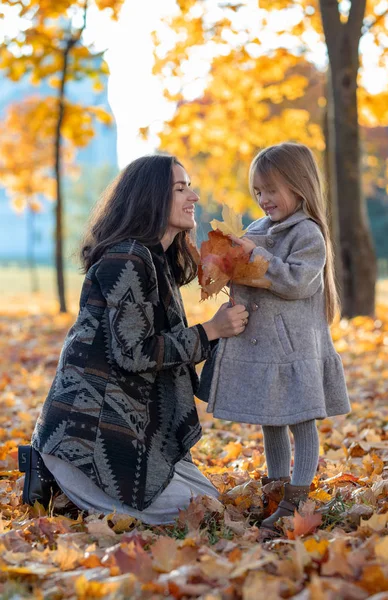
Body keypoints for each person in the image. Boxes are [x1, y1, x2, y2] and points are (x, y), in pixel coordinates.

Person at [18, 154, 249, 524]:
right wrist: (211, 330)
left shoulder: (154, 260)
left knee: (210, 503)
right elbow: (134, 352)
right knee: (203, 516)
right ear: (151, 196)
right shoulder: (127, 257)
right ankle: (54, 472)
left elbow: (164, 349)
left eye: (190, 186)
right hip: (89, 436)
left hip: (130, 429)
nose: (194, 196)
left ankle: (66, 487)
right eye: (180, 188)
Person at [202, 143, 350, 531]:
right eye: (258, 192)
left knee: (301, 420)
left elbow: (298, 281)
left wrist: (256, 257)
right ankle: (277, 487)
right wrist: (222, 263)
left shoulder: (308, 233)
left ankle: (298, 498)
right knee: (271, 420)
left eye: (271, 190)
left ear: (298, 187)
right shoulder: (256, 229)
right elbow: (245, 273)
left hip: (294, 346)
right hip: (264, 347)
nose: (264, 200)